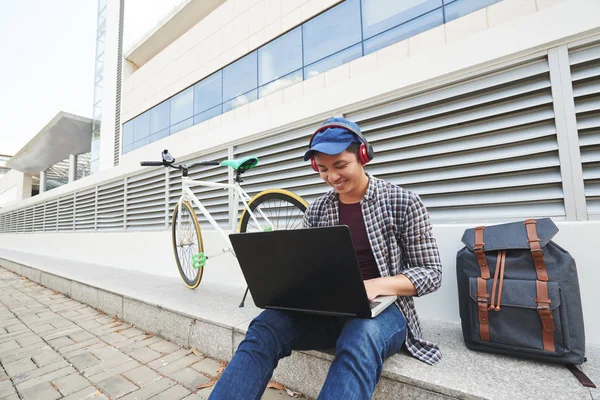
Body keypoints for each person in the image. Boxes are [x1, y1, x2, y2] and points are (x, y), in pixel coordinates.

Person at [210, 117, 442, 399]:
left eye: (340, 165)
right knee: (265, 325)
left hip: (385, 312)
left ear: (363, 156)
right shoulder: (318, 210)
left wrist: (375, 286)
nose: (332, 177)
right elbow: (307, 267)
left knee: (360, 336)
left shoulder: (404, 202)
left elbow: (431, 273)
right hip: (327, 311)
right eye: (323, 169)